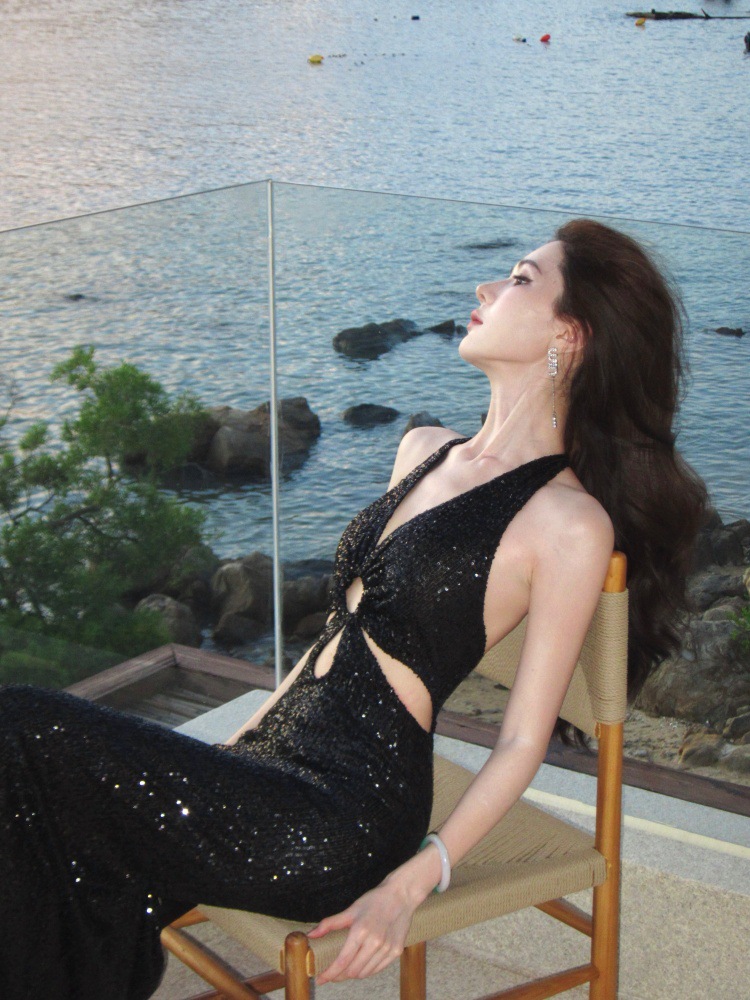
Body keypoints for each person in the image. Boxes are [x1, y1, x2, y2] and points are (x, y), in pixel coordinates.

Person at [0, 219, 706, 998]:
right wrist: (228, 751)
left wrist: (411, 883)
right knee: (58, 833)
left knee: (23, 729)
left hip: (344, 817)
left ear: (569, 336)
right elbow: (336, 640)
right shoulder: (422, 448)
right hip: (270, 767)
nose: (484, 288)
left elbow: (520, 741)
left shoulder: (568, 524)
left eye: (518, 279)